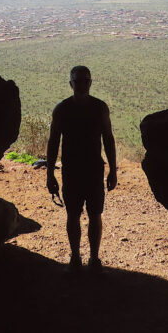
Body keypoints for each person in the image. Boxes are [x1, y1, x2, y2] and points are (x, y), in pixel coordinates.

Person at [46, 65, 117, 274]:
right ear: (71, 84)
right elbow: (53, 143)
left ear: (90, 83)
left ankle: (94, 259)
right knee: (73, 214)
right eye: (78, 81)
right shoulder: (62, 110)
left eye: (85, 80)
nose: (82, 85)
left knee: (95, 214)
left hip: (94, 170)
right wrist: (49, 174)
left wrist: (113, 170)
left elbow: (109, 140)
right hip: (72, 171)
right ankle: (76, 258)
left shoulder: (100, 108)